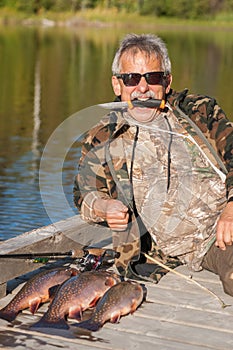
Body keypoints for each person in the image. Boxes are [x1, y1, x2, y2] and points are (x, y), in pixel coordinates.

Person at [73, 33, 233, 296]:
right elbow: (83, 194)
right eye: (132, 78)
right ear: (117, 85)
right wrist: (105, 207)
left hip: (226, 225)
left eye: (153, 77)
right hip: (200, 249)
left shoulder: (199, 113)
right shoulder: (102, 137)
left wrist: (231, 207)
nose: (143, 88)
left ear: (167, 82)